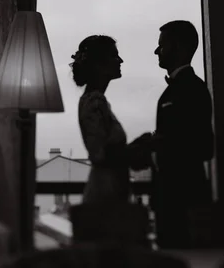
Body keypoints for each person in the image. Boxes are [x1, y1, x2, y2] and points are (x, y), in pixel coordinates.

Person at [129, 20, 214, 249]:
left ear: (180, 47)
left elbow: (205, 146)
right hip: (167, 199)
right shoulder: (173, 90)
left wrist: (159, 146)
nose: (157, 51)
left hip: (185, 199)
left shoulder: (194, 89)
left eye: (162, 45)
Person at [70, 35, 129, 204]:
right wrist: (137, 149)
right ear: (98, 64)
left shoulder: (96, 101)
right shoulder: (93, 102)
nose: (120, 60)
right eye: (114, 55)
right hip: (105, 194)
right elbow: (100, 154)